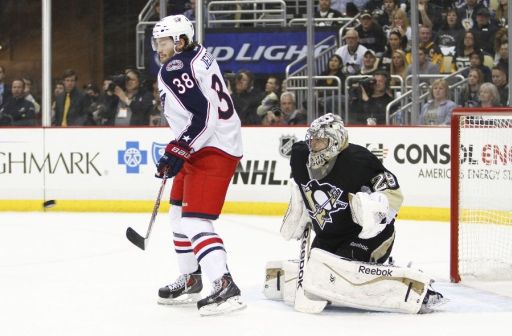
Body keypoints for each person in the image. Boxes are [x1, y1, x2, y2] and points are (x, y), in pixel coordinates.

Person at [271, 113, 444, 314]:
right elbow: (302, 187)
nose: (313, 145)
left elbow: (394, 194)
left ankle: (408, 282)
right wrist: (300, 209)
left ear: (334, 140)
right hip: (328, 238)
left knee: (344, 270)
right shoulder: (300, 155)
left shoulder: (358, 160)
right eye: (312, 139)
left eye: (319, 140)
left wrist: (377, 207)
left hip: (366, 237)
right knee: (320, 270)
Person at [151, 14, 245, 316]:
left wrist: (180, 149)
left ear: (179, 41)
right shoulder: (197, 53)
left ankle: (224, 284)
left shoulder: (176, 67)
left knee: (194, 221)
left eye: (163, 41)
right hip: (203, 143)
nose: (158, 47)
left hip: (212, 147)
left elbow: (204, 116)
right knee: (178, 215)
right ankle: (192, 277)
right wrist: (181, 148)